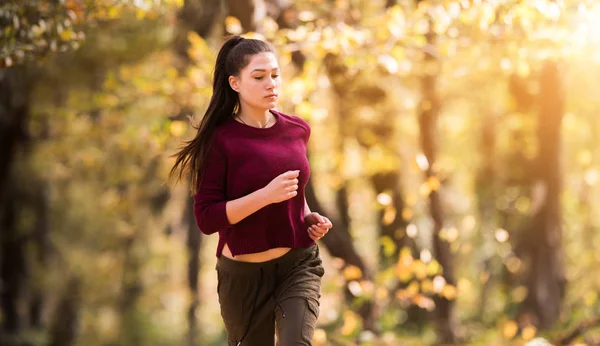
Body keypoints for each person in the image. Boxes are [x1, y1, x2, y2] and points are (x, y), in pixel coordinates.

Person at [169, 35, 333, 346]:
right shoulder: (219, 141)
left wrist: (308, 217)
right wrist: (265, 196)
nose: (271, 84)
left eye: (275, 75)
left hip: (296, 264)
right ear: (235, 83)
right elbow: (207, 219)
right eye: (259, 77)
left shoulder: (297, 130)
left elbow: (296, 194)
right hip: (243, 278)